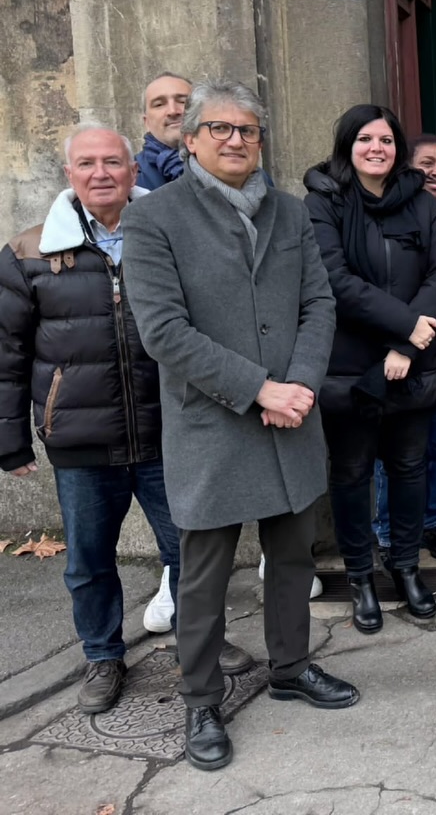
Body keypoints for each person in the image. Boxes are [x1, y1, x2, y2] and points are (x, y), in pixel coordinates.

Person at [124, 80, 357, 772]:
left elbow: (319, 304)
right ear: (190, 139)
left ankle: (290, 667)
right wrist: (259, 390)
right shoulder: (154, 219)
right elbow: (164, 331)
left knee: (291, 559)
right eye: (219, 129)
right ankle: (201, 698)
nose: (235, 140)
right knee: (203, 578)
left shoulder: (289, 214)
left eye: (247, 130)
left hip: (293, 417)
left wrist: (298, 387)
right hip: (214, 424)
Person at [0, 127, 192, 715]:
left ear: (135, 172)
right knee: (89, 562)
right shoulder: (30, 252)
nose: (101, 172)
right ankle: (103, 656)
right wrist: (9, 438)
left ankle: (199, 645)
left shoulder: (169, 234)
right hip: (81, 440)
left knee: (189, 549)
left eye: (114, 162)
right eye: (88, 163)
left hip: (168, 433)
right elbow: (6, 353)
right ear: (69, 174)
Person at [303, 106, 436, 631]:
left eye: (387, 139)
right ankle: (361, 576)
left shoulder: (420, 201)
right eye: (365, 139)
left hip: (412, 362)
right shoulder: (324, 201)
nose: (377, 148)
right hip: (349, 366)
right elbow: (334, 280)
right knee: (351, 473)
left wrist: (408, 345)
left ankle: (406, 566)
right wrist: (406, 327)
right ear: (347, 144)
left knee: (410, 468)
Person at [372, 134, 436, 562]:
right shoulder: (386, 212)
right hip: (401, 351)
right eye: (427, 163)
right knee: (393, 451)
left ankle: (434, 521)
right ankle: (387, 528)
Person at [134, 72, 191, 191]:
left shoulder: (227, 164)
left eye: (182, 101)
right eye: (159, 104)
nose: (173, 111)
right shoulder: (130, 178)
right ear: (146, 122)